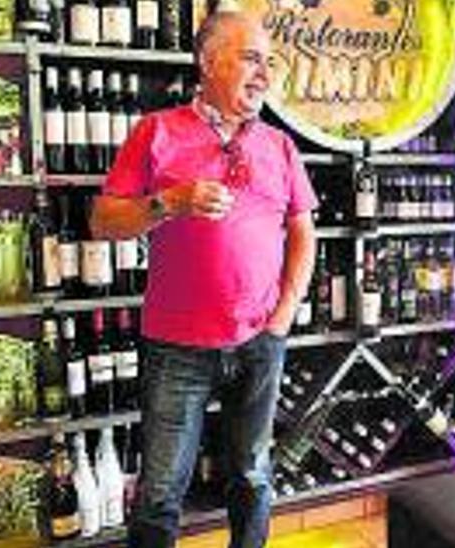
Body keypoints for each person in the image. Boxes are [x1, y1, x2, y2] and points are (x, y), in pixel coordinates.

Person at [90, 11, 317, 548]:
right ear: (209, 61)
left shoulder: (279, 146)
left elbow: (303, 232)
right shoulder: (157, 131)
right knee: (161, 491)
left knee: (253, 476)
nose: (264, 74)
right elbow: (102, 222)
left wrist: (284, 312)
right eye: (251, 59)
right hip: (176, 346)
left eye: (270, 62)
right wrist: (170, 202)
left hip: (261, 340)